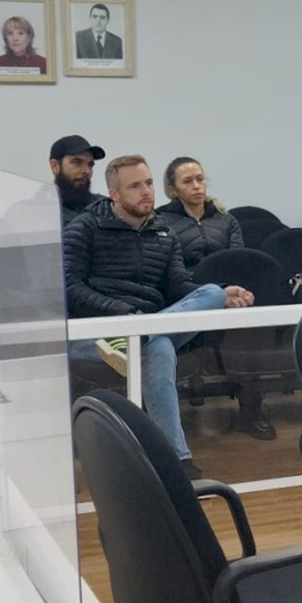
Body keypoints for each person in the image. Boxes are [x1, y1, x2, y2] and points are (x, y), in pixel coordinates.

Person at [64, 154, 256, 479]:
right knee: (160, 347)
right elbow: (68, 287)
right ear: (114, 193)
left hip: (144, 329)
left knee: (207, 294)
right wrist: (124, 315)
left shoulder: (163, 231)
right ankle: (177, 463)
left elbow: (179, 285)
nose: (146, 192)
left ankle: (137, 340)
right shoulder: (85, 226)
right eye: (135, 186)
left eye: (149, 183)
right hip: (94, 336)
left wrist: (222, 294)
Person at [154, 157, 273, 441]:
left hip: (228, 295)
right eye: (188, 181)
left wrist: (232, 292)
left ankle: (251, 412)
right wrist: (208, 292)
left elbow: (237, 260)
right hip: (188, 296)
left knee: (248, 335)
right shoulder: (161, 221)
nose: (197, 186)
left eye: (200, 179)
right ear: (173, 189)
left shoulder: (225, 219)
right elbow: (173, 270)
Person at [49, 135, 107, 226]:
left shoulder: (104, 208)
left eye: (90, 164)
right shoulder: (34, 210)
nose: (87, 171)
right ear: (55, 166)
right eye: (77, 162)